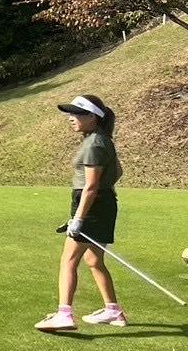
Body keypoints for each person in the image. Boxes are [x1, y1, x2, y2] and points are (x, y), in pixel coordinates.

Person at [36, 95, 126, 332]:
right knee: (93, 259)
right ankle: (113, 311)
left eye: (76, 114)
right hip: (102, 203)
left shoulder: (94, 143)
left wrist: (78, 218)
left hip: (91, 203)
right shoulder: (101, 139)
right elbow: (118, 171)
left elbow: (91, 186)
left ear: (93, 118)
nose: (71, 118)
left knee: (68, 260)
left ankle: (64, 314)